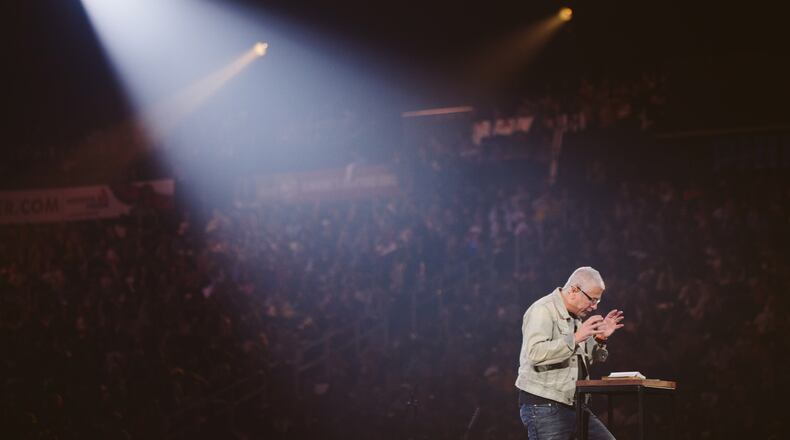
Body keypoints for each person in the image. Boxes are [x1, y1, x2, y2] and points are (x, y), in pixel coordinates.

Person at [516, 267, 624, 439]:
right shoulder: (542, 310)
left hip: (575, 404)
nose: (595, 307)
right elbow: (535, 354)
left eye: (598, 302)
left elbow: (578, 357)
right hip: (545, 406)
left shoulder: (575, 316)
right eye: (593, 300)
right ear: (574, 290)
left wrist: (600, 339)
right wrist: (575, 338)